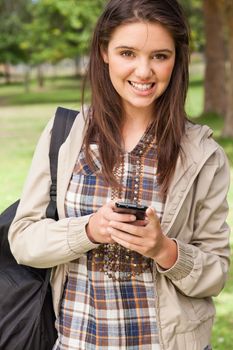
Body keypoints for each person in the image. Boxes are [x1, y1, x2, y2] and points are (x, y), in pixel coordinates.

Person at [9, 0, 230, 349]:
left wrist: (164, 249)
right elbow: (23, 240)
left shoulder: (204, 156)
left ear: (177, 58)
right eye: (128, 53)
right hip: (76, 341)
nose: (144, 71)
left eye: (160, 56)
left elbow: (216, 273)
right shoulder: (65, 133)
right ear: (104, 52)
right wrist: (89, 230)